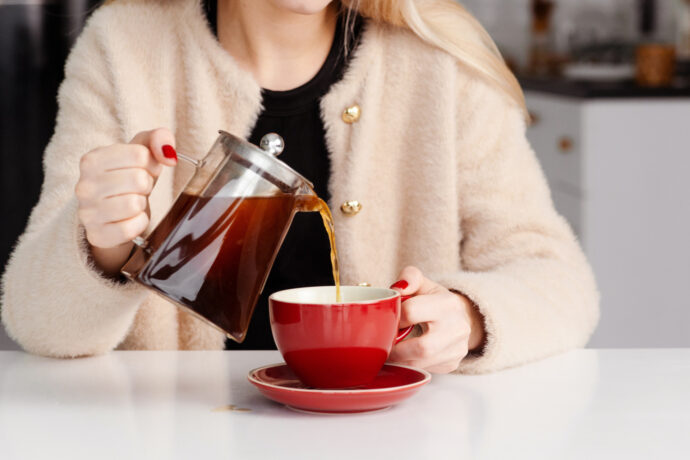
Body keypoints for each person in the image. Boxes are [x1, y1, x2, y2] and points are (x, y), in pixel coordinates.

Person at [1, 0, 599, 374]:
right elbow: (37, 323)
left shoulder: (439, 62)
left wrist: (467, 319)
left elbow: (559, 280)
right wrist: (101, 249)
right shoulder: (124, 44)